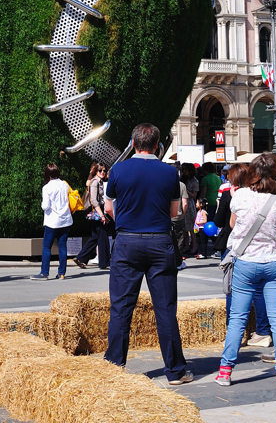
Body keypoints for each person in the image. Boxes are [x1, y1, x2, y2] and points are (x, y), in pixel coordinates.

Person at [103, 123, 191, 386]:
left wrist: (127, 222)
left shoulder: (118, 169)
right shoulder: (169, 172)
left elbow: (108, 208)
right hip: (159, 242)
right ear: (156, 145)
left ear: (132, 144)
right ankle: (175, 371)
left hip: (127, 242)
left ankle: (114, 366)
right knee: (165, 309)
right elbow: (175, 212)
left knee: (121, 307)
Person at [214, 153, 276, 388]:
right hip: (275, 263)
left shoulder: (240, 195)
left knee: (237, 319)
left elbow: (232, 225)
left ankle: (225, 371)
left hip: (245, 262)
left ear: (252, 173)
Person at [32, 162, 73, 280]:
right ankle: (62, 273)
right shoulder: (64, 185)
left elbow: (46, 206)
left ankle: (44, 273)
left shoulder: (46, 187)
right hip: (66, 220)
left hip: (52, 221)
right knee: (62, 246)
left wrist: (41, 204)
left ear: (47, 175)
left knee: (46, 246)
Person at [76, 162, 113, 270]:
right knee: (103, 237)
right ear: (96, 171)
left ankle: (81, 258)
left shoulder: (99, 181)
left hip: (98, 210)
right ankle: (104, 263)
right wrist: (102, 215)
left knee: (96, 236)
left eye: (104, 170)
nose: (103, 172)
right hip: (97, 211)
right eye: (100, 170)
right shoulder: (94, 182)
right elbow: (94, 201)